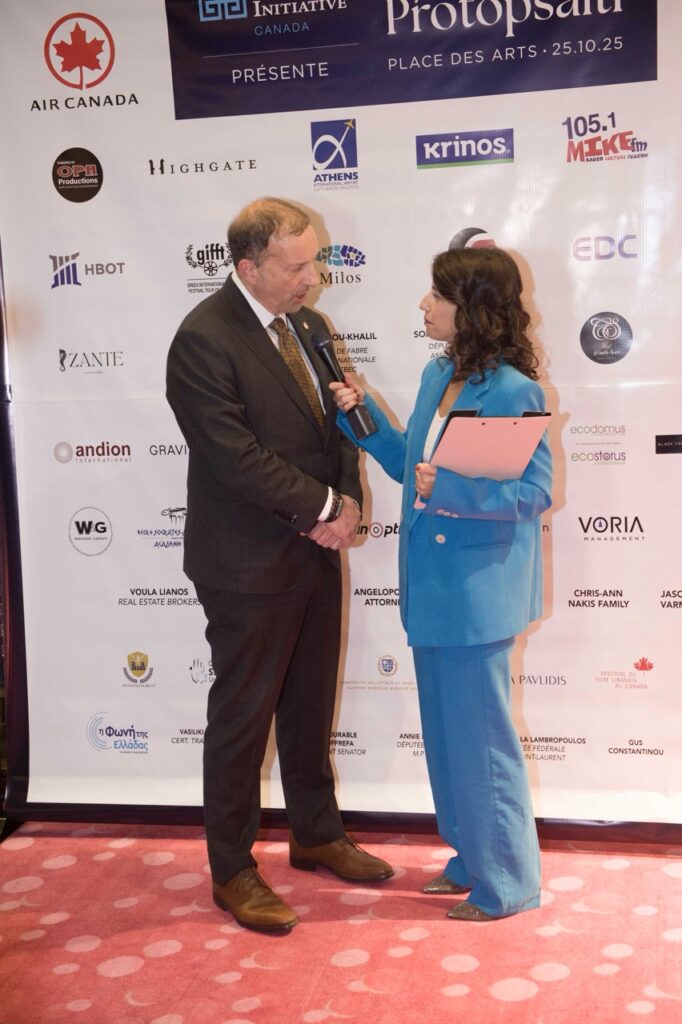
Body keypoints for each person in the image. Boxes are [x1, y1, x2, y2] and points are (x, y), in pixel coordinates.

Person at [166, 197, 393, 935]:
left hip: (315, 547)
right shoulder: (203, 339)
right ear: (248, 266)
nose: (313, 277)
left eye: (315, 261)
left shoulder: (312, 327)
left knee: (309, 702)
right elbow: (234, 457)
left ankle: (316, 832)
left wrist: (347, 501)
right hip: (246, 562)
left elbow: (342, 425)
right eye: (297, 266)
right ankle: (232, 868)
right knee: (242, 717)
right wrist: (325, 507)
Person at [331, 246, 552, 921]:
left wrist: (451, 489)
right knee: (450, 740)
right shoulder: (438, 374)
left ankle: (508, 882)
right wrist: (364, 417)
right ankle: (469, 857)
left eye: (437, 296)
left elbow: (534, 493)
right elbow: (412, 466)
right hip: (430, 589)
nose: (423, 306)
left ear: (472, 308)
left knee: (481, 742)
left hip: (478, 594)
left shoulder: (513, 390)